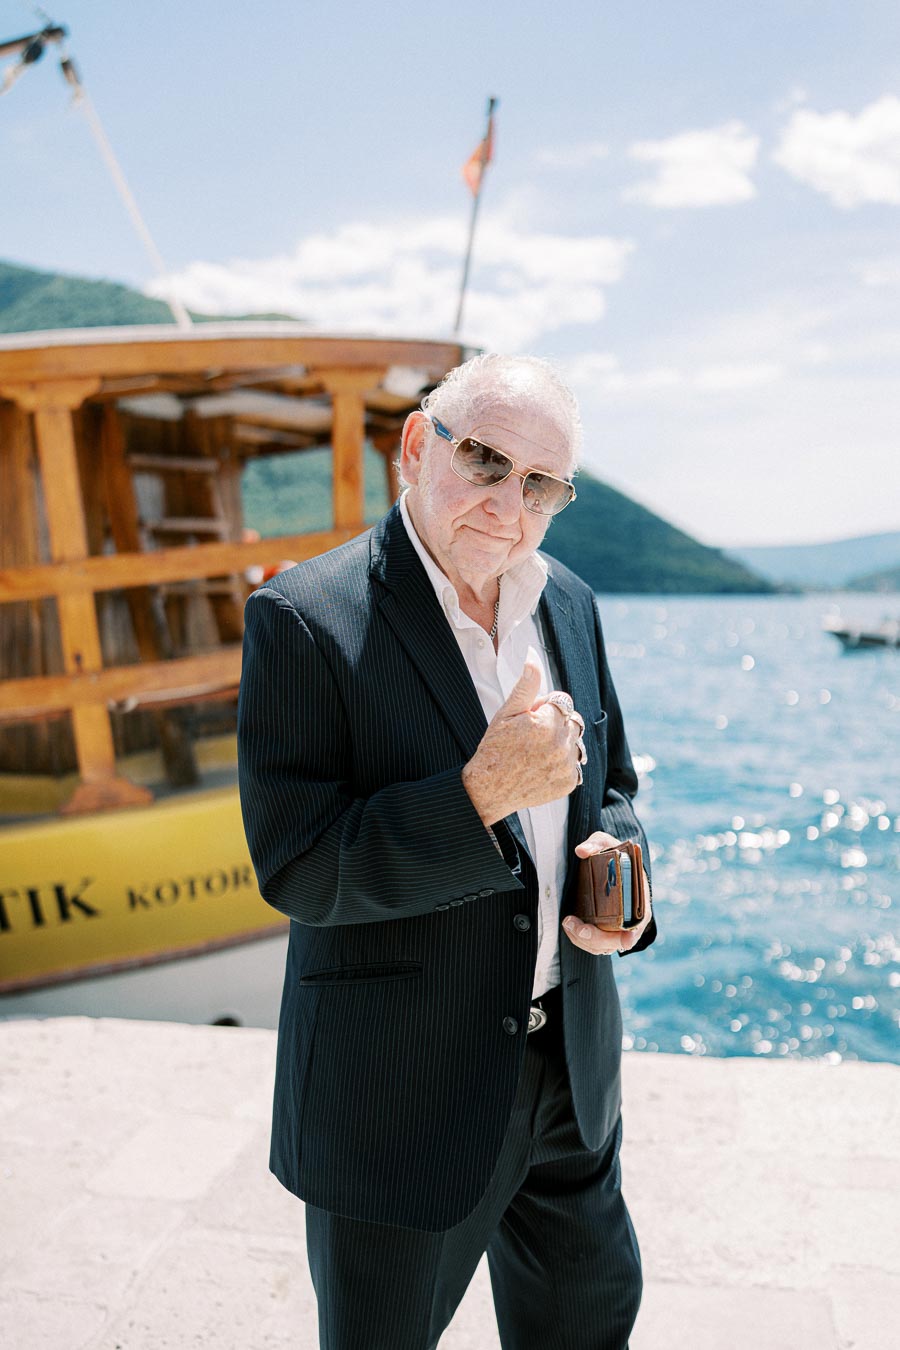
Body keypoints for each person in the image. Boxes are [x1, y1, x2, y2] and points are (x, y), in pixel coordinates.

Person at [237, 353, 656, 1350]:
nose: (507, 505)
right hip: (399, 1103)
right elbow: (299, 868)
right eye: (484, 460)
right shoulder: (302, 618)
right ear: (418, 446)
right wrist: (477, 797)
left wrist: (622, 882)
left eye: (540, 485)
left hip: (571, 1079)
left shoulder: (569, 603)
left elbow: (621, 791)